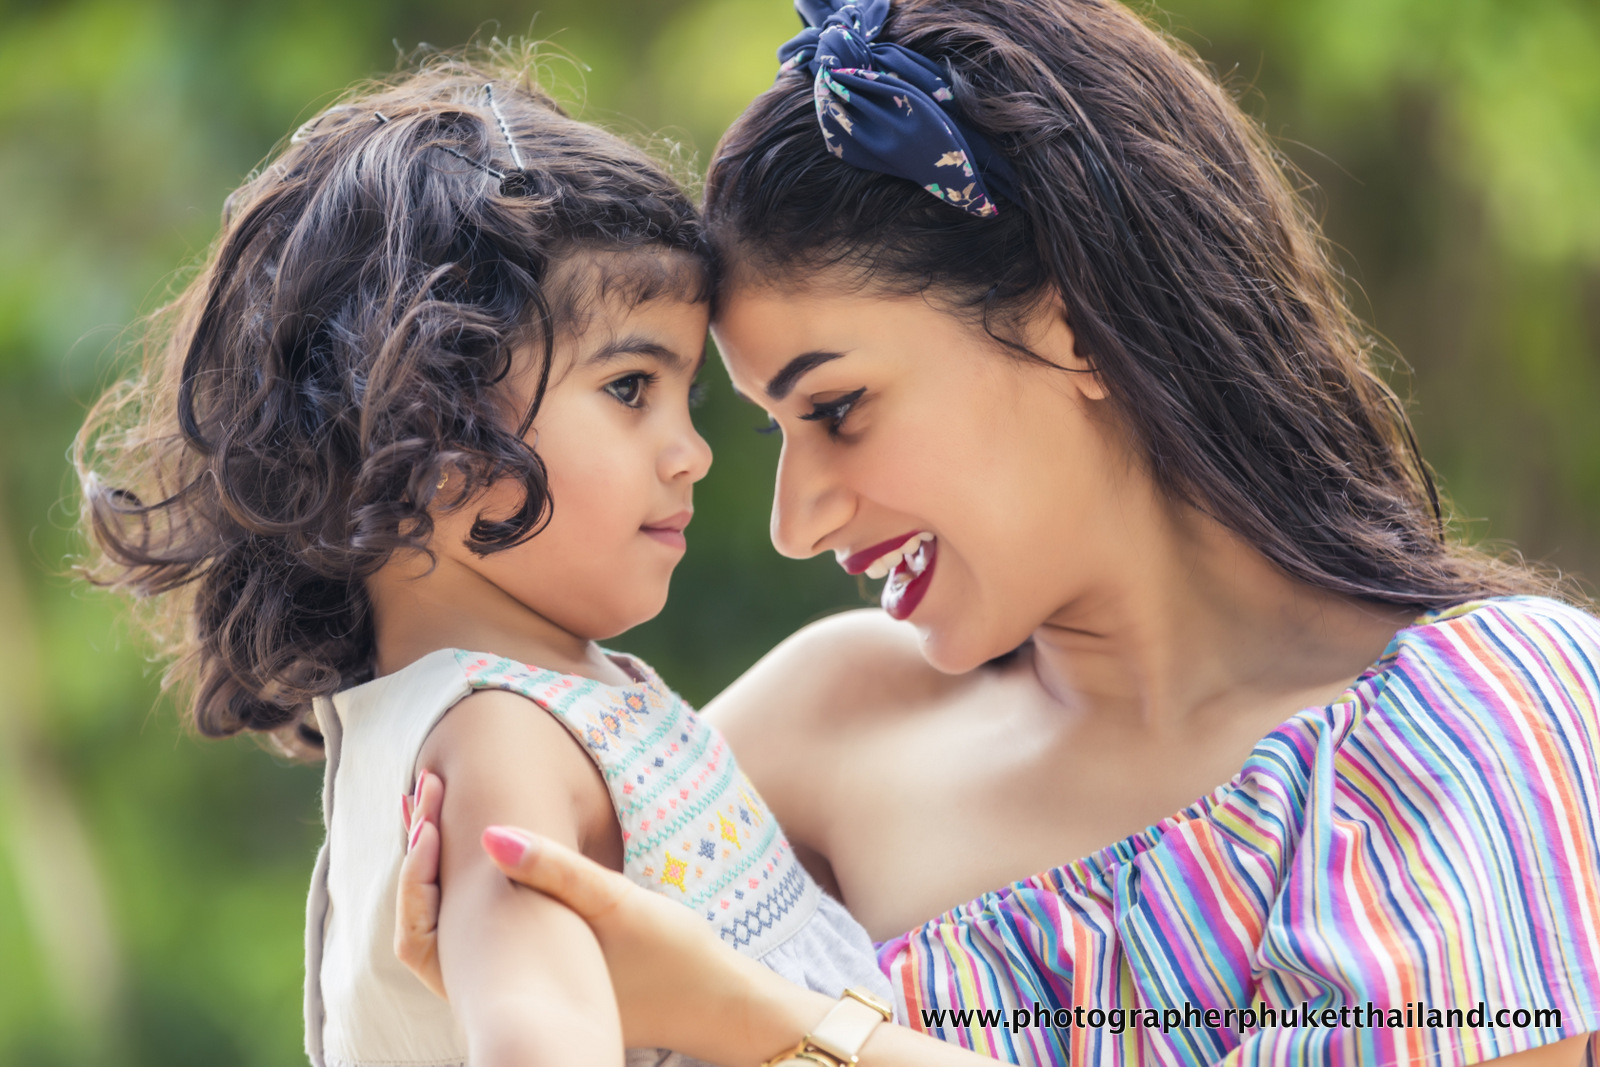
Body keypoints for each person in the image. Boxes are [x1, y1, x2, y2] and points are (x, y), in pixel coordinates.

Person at [395, 1, 1600, 1065]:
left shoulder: (1483, 711)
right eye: (773, 432)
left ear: (1070, 325)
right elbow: (501, 812)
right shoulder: (829, 722)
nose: (797, 521)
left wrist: (785, 1030)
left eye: (838, 408)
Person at [74, 56, 1009, 1067]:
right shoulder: (498, 738)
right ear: (427, 423)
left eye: (684, 398)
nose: (688, 450)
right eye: (629, 386)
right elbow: (534, 1038)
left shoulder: (524, 709)